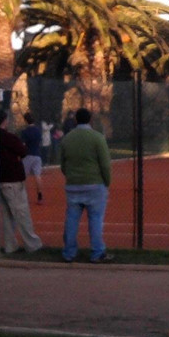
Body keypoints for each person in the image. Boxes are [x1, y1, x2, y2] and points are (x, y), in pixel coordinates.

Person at [59, 107, 112, 263]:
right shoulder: (97, 138)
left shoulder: (67, 138)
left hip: (73, 185)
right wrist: (106, 181)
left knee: (71, 219)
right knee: (95, 219)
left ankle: (69, 252)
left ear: (76, 120)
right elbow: (105, 164)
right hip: (94, 185)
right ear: (90, 120)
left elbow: (63, 164)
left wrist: (71, 176)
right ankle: (97, 252)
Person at [0, 110, 43, 254]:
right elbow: (22, 151)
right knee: (21, 213)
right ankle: (33, 244)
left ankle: (11, 246)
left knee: (7, 215)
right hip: (12, 178)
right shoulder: (8, 137)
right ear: (4, 120)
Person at [20, 112, 46, 203]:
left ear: (25, 121)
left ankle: (22, 196)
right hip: (37, 155)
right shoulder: (38, 130)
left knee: (22, 177)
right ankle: (40, 195)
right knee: (37, 176)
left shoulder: (25, 132)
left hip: (28, 155)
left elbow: (22, 145)